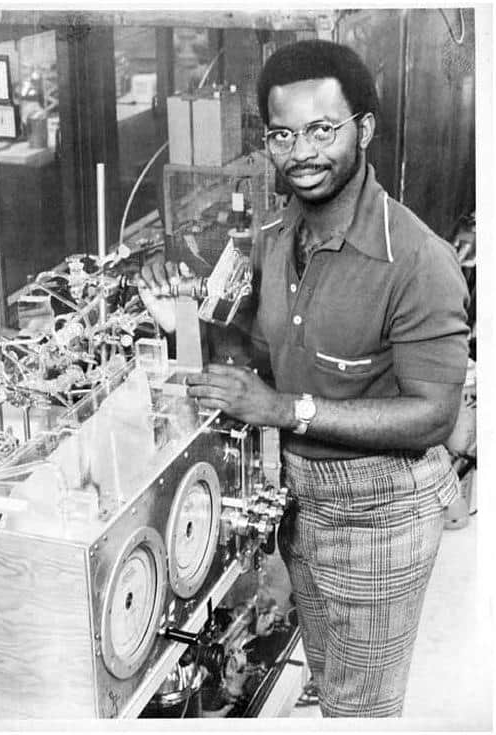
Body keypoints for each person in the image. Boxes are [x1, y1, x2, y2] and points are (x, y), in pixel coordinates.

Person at [138, 40, 470, 717]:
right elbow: (253, 356)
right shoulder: (276, 236)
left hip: (382, 513)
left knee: (362, 712)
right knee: (327, 676)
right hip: (302, 503)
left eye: (323, 129)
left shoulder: (416, 260)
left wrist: (285, 407)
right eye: (283, 134)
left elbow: (434, 414)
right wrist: (180, 316)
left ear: (364, 129)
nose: (302, 152)